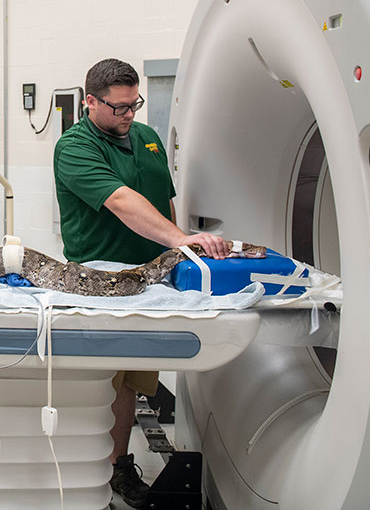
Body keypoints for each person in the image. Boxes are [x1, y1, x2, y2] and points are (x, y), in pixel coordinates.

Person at [53, 58, 229, 509]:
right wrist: (183, 241)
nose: (129, 115)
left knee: (130, 382)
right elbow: (122, 201)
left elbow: (161, 201)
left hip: (148, 279)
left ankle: (117, 465)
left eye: (135, 105)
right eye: (119, 108)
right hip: (98, 279)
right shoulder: (74, 147)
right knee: (100, 382)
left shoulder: (148, 139)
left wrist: (174, 257)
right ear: (90, 101)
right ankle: (82, 472)